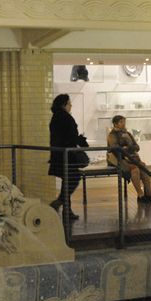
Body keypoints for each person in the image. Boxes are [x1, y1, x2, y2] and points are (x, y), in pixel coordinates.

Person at [48, 93, 88, 226]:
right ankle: (59, 202)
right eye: (69, 104)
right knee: (74, 177)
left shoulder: (55, 117)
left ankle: (66, 209)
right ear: (64, 105)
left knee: (68, 180)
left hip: (58, 155)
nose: (71, 106)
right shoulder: (65, 117)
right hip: (67, 156)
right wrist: (81, 140)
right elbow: (71, 136)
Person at [107, 115, 151, 205]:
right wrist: (128, 149)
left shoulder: (128, 133)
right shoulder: (112, 135)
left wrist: (127, 148)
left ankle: (149, 194)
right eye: (121, 122)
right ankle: (140, 195)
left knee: (144, 168)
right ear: (115, 124)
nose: (123, 124)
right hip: (119, 159)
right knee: (134, 169)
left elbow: (137, 147)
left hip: (131, 157)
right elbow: (115, 150)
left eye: (124, 121)